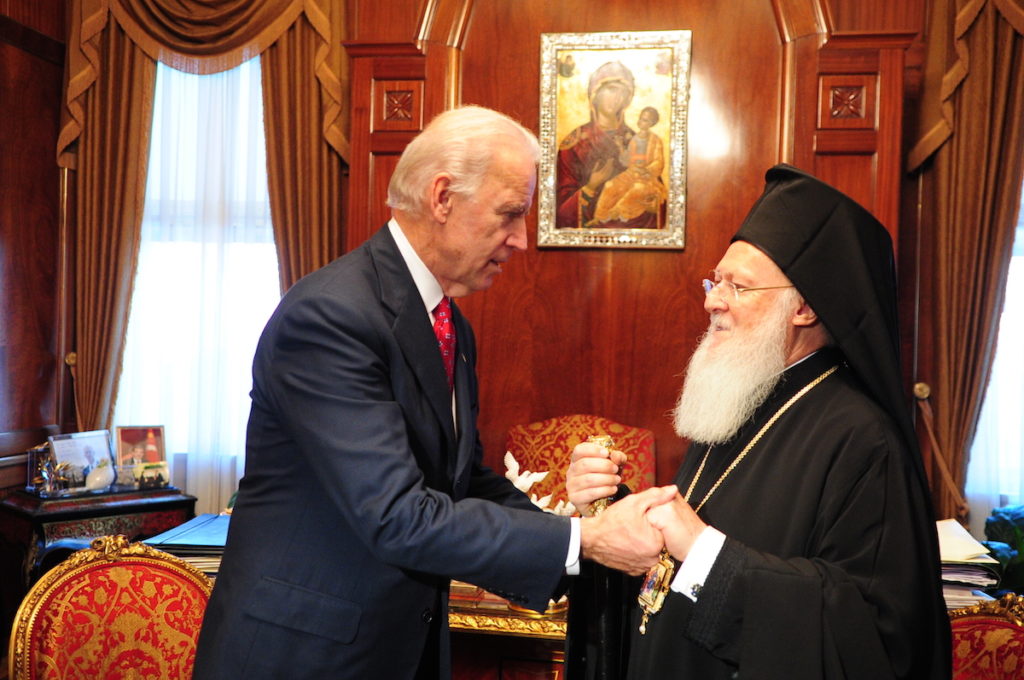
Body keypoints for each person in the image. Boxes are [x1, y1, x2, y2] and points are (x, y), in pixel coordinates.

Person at [192, 105, 675, 680]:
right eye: (509, 214)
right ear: (442, 198)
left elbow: (460, 479)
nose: (521, 240)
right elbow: (397, 514)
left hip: (395, 648)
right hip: (304, 655)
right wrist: (581, 540)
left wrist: (579, 532)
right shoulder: (331, 317)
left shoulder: (449, 323)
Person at [567, 164, 951, 679]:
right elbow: (674, 561)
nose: (712, 300)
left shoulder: (864, 441)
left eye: (738, 287)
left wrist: (704, 552)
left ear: (806, 308)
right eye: (716, 280)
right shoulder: (741, 399)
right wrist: (610, 510)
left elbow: (868, 633)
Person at [556, 61, 660, 230]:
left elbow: (656, 200)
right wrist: (591, 187)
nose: (617, 98)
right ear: (594, 94)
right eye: (611, 90)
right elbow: (559, 213)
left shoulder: (637, 139)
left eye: (623, 93)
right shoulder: (575, 143)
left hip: (632, 228)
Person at [593, 106, 667, 226]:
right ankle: (600, 217)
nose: (641, 122)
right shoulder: (635, 139)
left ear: (651, 123)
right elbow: (627, 161)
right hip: (630, 174)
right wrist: (621, 146)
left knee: (637, 189)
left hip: (647, 179)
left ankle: (617, 212)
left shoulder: (655, 140)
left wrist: (646, 170)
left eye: (645, 120)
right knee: (609, 185)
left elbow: (659, 162)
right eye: (640, 118)